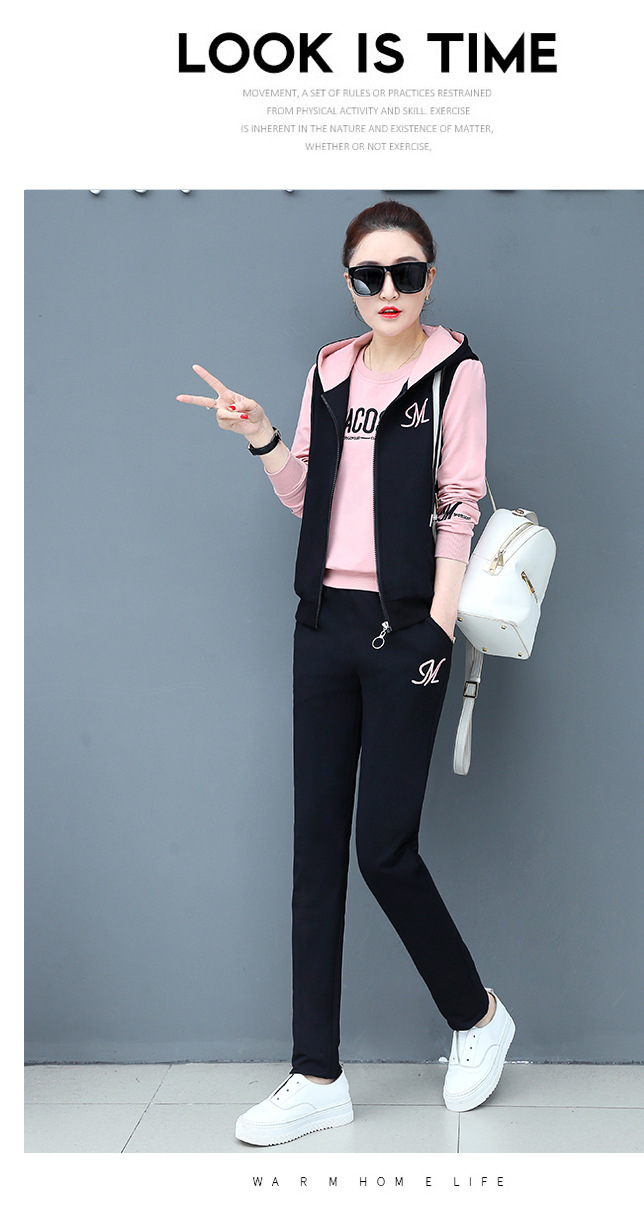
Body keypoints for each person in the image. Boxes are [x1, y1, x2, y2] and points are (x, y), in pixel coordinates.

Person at [177, 200, 515, 1147]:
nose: (388, 291)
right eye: (370, 276)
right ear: (350, 284)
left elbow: (460, 501)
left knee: (384, 851)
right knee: (315, 852)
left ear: (430, 279)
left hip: (407, 630)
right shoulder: (329, 369)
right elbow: (309, 498)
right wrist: (262, 437)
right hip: (323, 624)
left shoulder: (455, 372)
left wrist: (436, 626)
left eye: (406, 273)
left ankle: (479, 1016)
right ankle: (316, 1074)